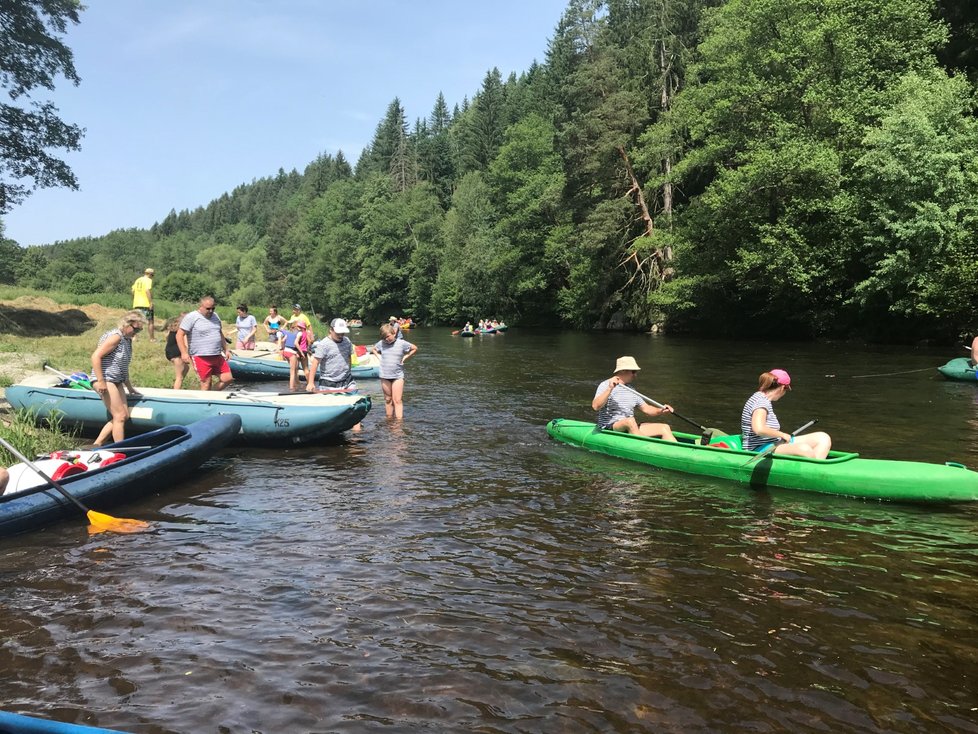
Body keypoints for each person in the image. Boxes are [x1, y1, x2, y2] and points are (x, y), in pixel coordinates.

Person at [741, 369, 832, 459]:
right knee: (804, 449)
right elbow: (759, 429)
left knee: (823, 438)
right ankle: (814, 469)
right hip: (759, 449)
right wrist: (782, 434)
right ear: (782, 388)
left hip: (775, 443)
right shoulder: (761, 402)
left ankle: (814, 467)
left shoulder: (763, 399)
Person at [90, 311, 145, 446]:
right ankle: (120, 448)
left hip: (117, 380)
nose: (136, 332)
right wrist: (101, 381)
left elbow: (123, 366)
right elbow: (95, 356)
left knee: (123, 416)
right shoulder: (116, 337)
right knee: (119, 416)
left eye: (140, 330)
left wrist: (130, 388)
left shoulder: (127, 340)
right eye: (135, 329)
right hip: (105, 379)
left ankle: (96, 445)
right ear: (126, 324)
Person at [592, 356, 677, 440]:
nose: (635, 375)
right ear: (623, 371)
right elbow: (596, 406)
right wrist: (610, 388)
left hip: (629, 426)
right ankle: (646, 447)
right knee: (630, 421)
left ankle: (675, 451)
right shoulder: (605, 385)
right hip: (609, 427)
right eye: (633, 372)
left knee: (664, 427)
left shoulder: (632, 390)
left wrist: (661, 410)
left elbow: (647, 409)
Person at [177, 296, 232, 391]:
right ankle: (205, 402)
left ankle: (211, 396)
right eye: (208, 308)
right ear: (200, 306)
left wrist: (226, 349)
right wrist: (184, 352)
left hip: (216, 355)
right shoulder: (191, 317)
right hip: (200, 356)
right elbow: (179, 335)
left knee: (227, 378)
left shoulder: (215, 316)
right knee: (206, 383)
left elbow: (219, 333)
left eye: (213, 308)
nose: (211, 311)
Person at [370, 323, 418, 419]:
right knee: (388, 399)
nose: (386, 339)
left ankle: (399, 423)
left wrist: (405, 357)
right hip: (385, 375)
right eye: (384, 337)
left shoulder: (401, 343)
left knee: (397, 400)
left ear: (393, 333)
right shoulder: (381, 343)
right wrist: (378, 356)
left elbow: (414, 348)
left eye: (388, 336)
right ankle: (389, 419)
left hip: (397, 376)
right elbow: (373, 349)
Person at [307, 318, 357, 394]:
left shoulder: (347, 341)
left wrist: (349, 371)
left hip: (347, 380)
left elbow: (348, 357)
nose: (340, 336)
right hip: (329, 382)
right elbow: (315, 363)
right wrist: (311, 383)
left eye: (342, 333)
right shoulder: (324, 344)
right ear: (331, 330)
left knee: (355, 400)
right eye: (338, 333)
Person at [278, 322, 312, 391]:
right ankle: (309, 384)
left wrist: (281, 349)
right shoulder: (303, 333)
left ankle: (297, 384)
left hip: (293, 352)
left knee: (295, 370)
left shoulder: (290, 333)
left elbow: (283, 338)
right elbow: (309, 342)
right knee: (305, 369)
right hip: (301, 351)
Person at [164, 314, 189, 389]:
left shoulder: (174, 329)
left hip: (169, 352)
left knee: (186, 368)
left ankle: (176, 385)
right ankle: (175, 392)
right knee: (179, 377)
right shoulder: (183, 331)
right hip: (177, 354)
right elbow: (186, 344)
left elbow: (167, 338)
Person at [130, 267, 155, 341]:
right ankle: (152, 338)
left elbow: (132, 291)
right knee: (150, 321)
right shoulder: (148, 280)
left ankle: (134, 337)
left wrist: (134, 299)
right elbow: (147, 290)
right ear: (150, 274)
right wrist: (150, 302)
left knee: (136, 321)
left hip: (136, 303)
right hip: (145, 304)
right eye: (153, 275)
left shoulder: (138, 280)